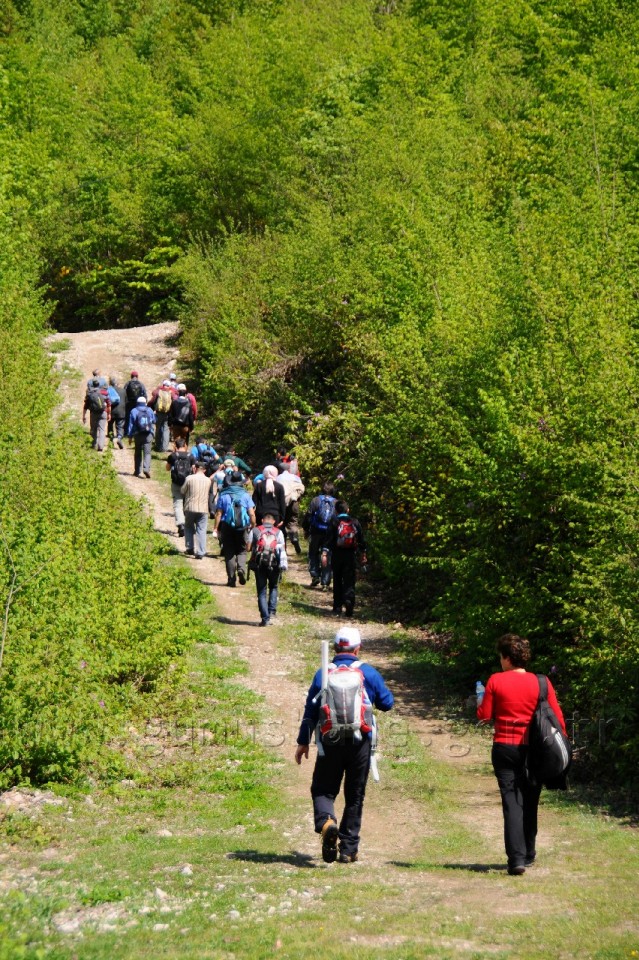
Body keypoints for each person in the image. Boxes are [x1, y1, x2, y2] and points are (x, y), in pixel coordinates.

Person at [295, 627, 394, 863]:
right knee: (355, 795)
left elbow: (311, 711)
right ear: (357, 649)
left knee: (323, 790)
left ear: (335, 648)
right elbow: (387, 703)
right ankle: (349, 849)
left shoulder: (324, 673)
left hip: (330, 741)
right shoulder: (368, 672)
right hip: (360, 742)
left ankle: (327, 822)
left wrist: (303, 741)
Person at [477, 633, 568, 876]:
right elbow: (557, 719)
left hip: (505, 748)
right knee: (531, 799)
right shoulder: (542, 682)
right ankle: (529, 853)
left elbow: (484, 715)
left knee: (511, 801)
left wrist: (480, 699)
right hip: (535, 749)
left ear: (507, 658)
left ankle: (516, 859)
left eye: (501, 657)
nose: (500, 661)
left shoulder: (496, 680)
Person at [323, 501, 367, 617]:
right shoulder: (354, 522)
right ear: (348, 510)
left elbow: (328, 540)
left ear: (336, 511)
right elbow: (361, 540)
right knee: (349, 580)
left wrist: (324, 554)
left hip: (337, 555)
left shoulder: (334, 521)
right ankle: (349, 604)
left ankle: (337, 606)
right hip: (350, 555)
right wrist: (363, 554)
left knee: (337, 579)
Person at [213, 471, 256, 586]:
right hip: (242, 527)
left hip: (227, 526)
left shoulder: (223, 495)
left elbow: (218, 514)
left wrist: (216, 528)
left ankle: (231, 579)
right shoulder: (246, 495)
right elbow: (251, 513)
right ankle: (241, 568)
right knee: (242, 550)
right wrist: (253, 525)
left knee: (229, 552)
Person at [248, 511, 287, 626]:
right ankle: (272, 612)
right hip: (274, 564)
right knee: (273, 587)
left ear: (262, 520)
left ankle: (265, 618)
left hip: (259, 564)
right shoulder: (279, 532)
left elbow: (248, 548)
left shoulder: (255, 530)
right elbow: (282, 549)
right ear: (274, 522)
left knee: (262, 591)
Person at [303, 482, 337, 588]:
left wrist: (306, 529)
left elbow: (308, 516)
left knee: (313, 553)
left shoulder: (316, 500)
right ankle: (325, 582)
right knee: (327, 555)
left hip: (316, 531)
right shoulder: (336, 502)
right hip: (329, 533)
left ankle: (315, 576)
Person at [181, 461, 211, 559]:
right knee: (201, 529)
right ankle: (201, 551)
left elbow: (182, 490)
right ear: (204, 470)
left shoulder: (189, 478)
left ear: (195, 468)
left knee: (188, 526)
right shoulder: (208, 480)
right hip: (203, 508)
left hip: (190, 507)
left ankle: (190, 547)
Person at [165, 438, 193, 537]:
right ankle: (189, 525)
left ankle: (181, 525)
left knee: (177, 504)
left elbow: (167, 468)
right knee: (187, 503)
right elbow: (194, 469)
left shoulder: (172, 456)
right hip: (188, 483)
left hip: (176, 483)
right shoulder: (191, 456)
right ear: (185, 446)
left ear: (175, 446)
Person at [277, 464, 305, 555]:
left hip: (281, 503)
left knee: (281, 523)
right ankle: (294, 538)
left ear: (279, 470)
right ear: (289, 469)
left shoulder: (277, 478)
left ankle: (283, 548)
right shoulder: (296, 477)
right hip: (294, 502)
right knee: (293, 521)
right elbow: (301, 489)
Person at [126, 395, 155, 478]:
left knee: (138, 452)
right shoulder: (149, 410)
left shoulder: (134, 411)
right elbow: (154, 421)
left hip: (137, 434)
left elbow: (131, 425)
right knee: (147, 453)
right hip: (148, 434)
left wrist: (130, 436)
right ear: (145, 403)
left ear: (137, 403)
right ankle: (146, 469)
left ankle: (137, 471)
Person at [82, 378, 111, 452]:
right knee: (102, 429)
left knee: (93, 429)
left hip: (93, 413)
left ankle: (93, 444)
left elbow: (85, 405)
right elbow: (109, 404)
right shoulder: (104, 392)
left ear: (92, 385)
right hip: (103, 412)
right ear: (99, 385)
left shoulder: (90, 393)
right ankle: (100, 446)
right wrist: (109, 414)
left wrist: (84, 416)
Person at [149, 379, 175, 452]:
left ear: (163, 385)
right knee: (166, 430)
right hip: (167, 413)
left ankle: (158, 446)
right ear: (169, 386)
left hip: (159, 413)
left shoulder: (159, 391)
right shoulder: (171, 393)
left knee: (158, 428)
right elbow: (175, 399)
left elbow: (152, 398)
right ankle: (164, 447)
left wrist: (149, 406)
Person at [107, 375, 126, 449]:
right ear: (117, 383)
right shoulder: (123, 391)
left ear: (110, 383)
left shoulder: (108, 390)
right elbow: (126, 401)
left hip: (111, 411)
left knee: (110, 425)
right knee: (120, 426)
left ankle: (111, 440)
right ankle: (119, 437)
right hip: (121, 411)